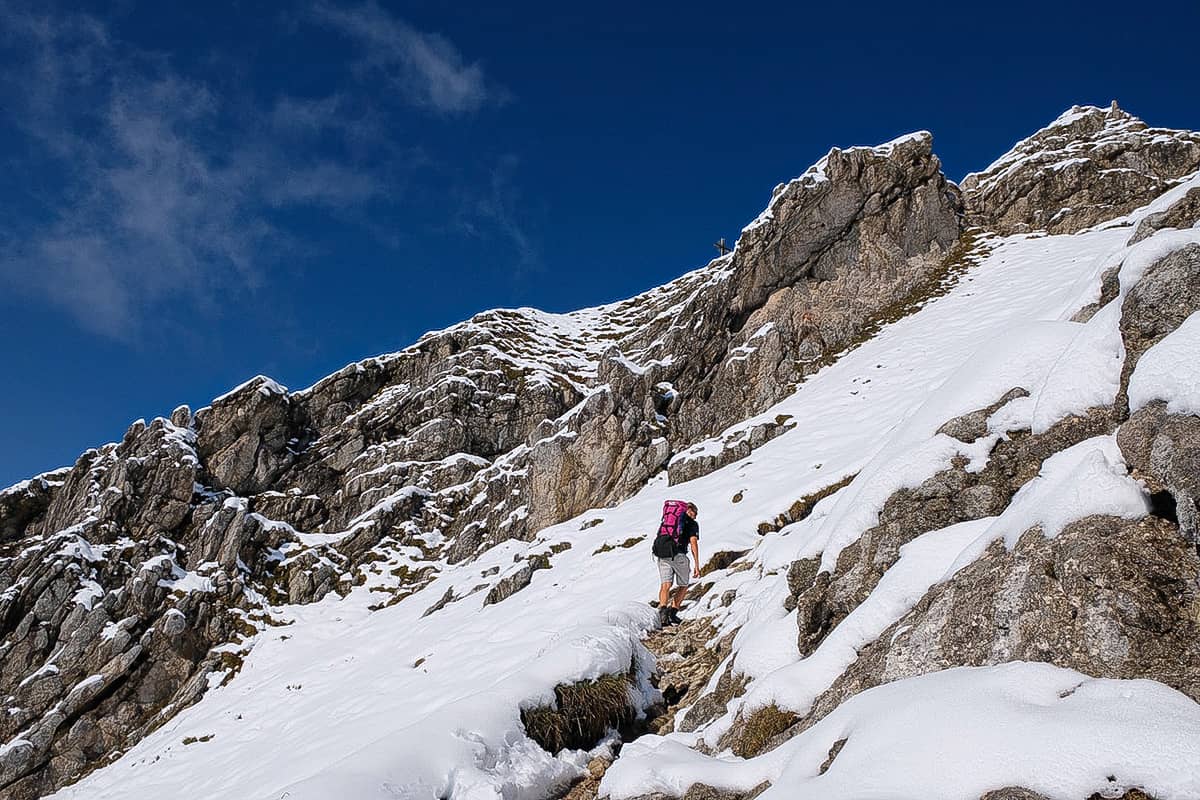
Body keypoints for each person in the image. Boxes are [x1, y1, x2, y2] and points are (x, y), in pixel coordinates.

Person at [657, 502, 700, 626]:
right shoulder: (692, 524)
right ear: (690, 510)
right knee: (684, 585)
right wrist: (697, 565)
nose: (695, 516)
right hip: (679, 555)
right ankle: (673, 613)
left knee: (665, 585)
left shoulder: (669, 520)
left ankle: (663, 614)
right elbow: (693, 544)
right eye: (695, 513)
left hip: (663, 554)